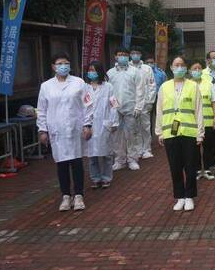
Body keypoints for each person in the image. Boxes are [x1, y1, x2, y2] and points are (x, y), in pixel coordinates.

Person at [37, 53, 94, 211]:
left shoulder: (79, 83)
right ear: (53, 66)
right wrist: (42, 130)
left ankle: (79, 195)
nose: (63, 66)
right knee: (61, 164)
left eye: (66, 63)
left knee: (76, 162)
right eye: (60, 63)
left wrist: (87, 125)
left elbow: (88, 105)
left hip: (75, 129)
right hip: (57, 131)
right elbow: (41, 110)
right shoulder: (46, 86)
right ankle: (65, 196)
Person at [156, 56, 204, 211]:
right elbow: (159, 111)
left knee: (190, 166)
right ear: (171, 67)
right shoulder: (164, 87)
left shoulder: (193, 86)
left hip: (189, 132)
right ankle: (179, 197)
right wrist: (159, 132)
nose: (179, 68)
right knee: (175, 167)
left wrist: (200, 133)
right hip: (171, 133)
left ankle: (189, 196)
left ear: (186, 68)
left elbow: (199, 110)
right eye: (176, 65)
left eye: (182, 65)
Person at [107, 48, 144, 171]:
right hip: (115, 109)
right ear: (115, 57)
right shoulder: (110, 73)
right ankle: (119, 160)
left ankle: (132, 159)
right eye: (120, 54)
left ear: (128, 57)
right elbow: (108, 91)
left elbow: (140, 90)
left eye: (125, 55)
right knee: (117, 136)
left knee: (131, 135)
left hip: (131, 107)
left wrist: (138, 107)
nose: (122, 57)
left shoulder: (135, 71)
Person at [84, 61, 119, 189]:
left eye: (94, 70)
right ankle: (95, 178)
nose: (91, 72)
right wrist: (85, 124)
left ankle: (106, 177)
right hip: (90, 125)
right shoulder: (85, 88)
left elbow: (114, 105)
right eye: (90, 70)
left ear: (99, 71)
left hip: (104, 124)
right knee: (92, 154)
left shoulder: (108, 87)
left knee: (106, 154)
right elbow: (84, 107)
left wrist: (113, 122)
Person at [189, 61, 215, 180]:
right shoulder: (188, 84)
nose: (197, 70)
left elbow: (214, 101)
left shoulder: (209, 84)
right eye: (194, 68)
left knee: (208, 146)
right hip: (192, 123)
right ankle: (196, 170)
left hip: (207, 121)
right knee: (194, 147)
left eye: (199, 68)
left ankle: (207, 169)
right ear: (190, 71)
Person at [130, 47, 157, 159]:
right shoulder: (128, 68)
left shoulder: (147, 68)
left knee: (145, 127)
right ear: (130, 54)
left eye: (137, 53)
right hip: (132, 103)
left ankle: (146, 149)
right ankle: (137, 149)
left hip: (145, 102)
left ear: (141, 55)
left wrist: (150, 101)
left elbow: (152, 85)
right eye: (133, 53)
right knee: (134, 128)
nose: (135, 55)